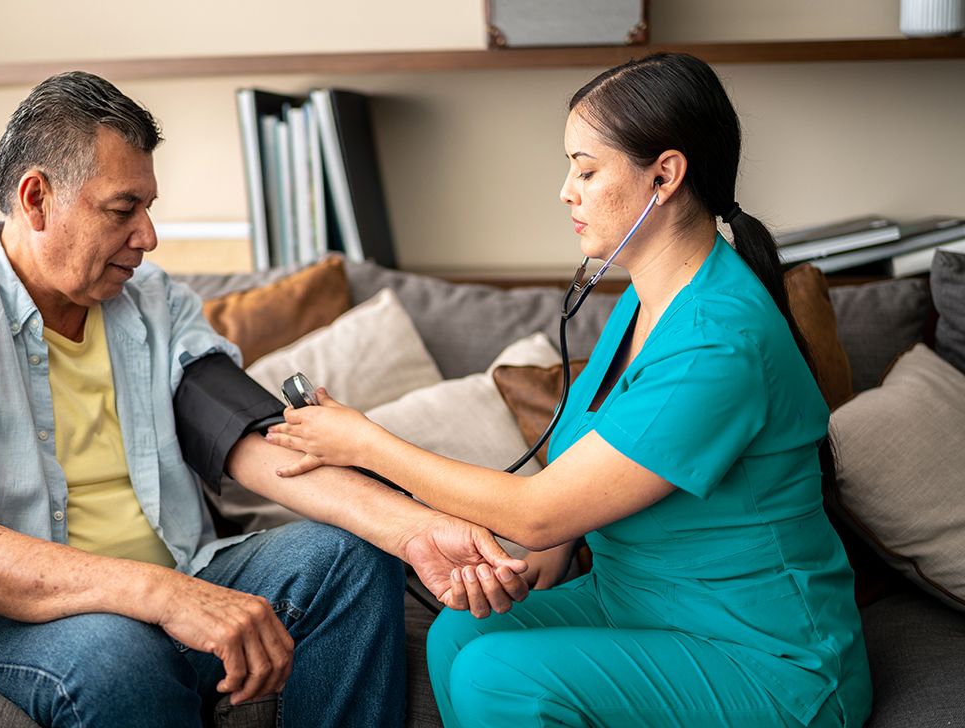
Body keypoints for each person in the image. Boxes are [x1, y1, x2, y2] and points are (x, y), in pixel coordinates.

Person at [0, 71, 528, 728]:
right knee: (117, 653)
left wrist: (413, 530)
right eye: (122, 210)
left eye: (148, 208)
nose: (148, 236)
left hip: (173, 576)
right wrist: (163, 595)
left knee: (348, 558)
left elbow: (254, 443)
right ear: (35, 199)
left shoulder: (153, 303)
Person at [264, 53, 872, 727]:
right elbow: (584, 465)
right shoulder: (641, 303)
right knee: (463, 634)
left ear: (665, 175)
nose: (565, 190)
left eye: (585, 169)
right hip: (644, 604)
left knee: (501, 677)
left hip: (770, 662)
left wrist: (366, 444)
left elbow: (539, 510)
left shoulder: (719, 343)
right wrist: (546, 560)